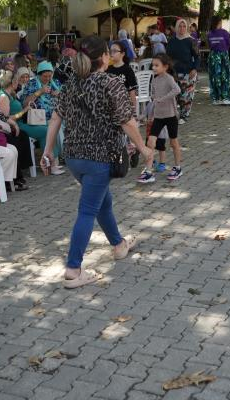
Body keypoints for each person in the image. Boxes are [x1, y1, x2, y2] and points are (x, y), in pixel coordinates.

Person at [41, 37, 152, 288]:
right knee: (87, 210)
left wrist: (48, 151)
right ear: (104, 57)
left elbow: (55, 119)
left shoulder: (70, 85)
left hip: (73, 158)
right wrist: (145, 149)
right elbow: (127, 121)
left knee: (103, 201)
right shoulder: (111, 83)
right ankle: (73, 269)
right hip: (99, 159)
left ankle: (119, 244)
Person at [0, 67, 63, 172]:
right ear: (12, 82)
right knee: (46, 131)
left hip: (21, 124)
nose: (19, 82)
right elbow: (5, 119)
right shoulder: (3, 97)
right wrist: (24, 111)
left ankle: (52, 163)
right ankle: (51, 165)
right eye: (17, 80)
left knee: (47, 128)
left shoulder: (10, 94)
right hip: (17, 127)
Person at [136, 54, 184, 183]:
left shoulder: (168, 79)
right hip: (158, 116)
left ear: (165, 67)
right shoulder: (155, 80)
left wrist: (162, 99)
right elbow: (154, 100)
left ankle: (178, 168)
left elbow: (177, 90)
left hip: (170, 116)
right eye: (153, 65)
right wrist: (149, 115)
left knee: (173, 143)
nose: (154, 67)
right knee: (151, 142)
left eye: (157, 65)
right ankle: (148, 171)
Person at [167, 19, 200, 120]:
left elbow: (197, 56)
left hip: (188, 73)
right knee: (176, 96)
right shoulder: (172, 41)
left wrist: (195, 69)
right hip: (174, 73)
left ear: (187, 28)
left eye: (184, 26)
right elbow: (167, 57)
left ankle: (184, 115)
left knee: (186, 96)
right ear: (176, 27)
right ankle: (176, 114)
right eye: (180, 26)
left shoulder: (191, 41)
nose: (182, 28)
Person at [207, 16, 230, 105]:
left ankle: (215, 97)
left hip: (213, 56)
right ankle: (225, 96)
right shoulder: (224, 32)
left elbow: (209, 45)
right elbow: (229, 44)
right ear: (219, 22)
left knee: (215, 76)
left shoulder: (210, 33)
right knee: (225, 76)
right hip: (223, 56)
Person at [107, 42, 138, 106]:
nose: (111, 53)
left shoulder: (128, 70)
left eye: (114, 51)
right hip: (110, 105)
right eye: (110, 51)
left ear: (122, 54)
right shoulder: (107, 69)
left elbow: (132, 92)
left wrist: (134, 112)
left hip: (124, 105)